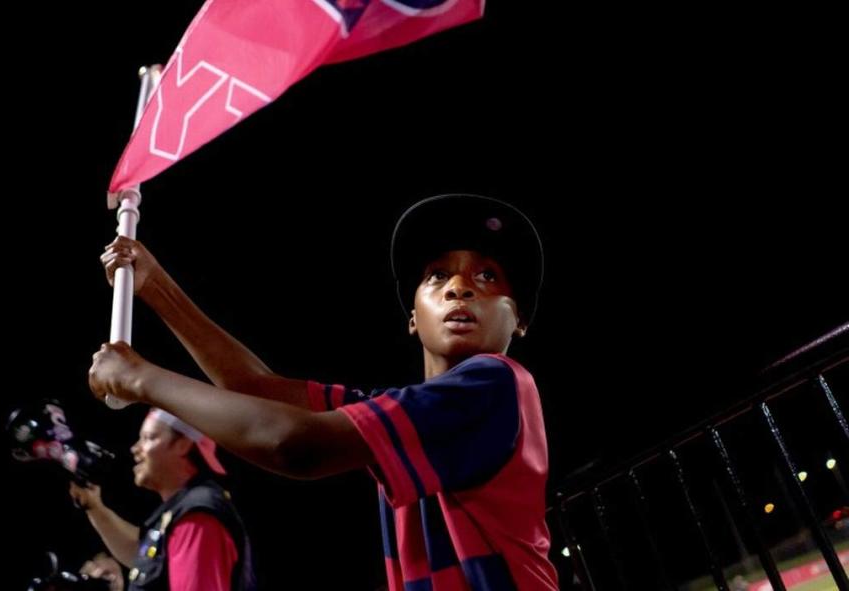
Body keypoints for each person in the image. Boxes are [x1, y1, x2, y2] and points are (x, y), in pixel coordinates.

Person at [89, 193, 558, 589]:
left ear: (518, 321)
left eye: (487, 277)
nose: (460, 288)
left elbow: (296, 445)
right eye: (437, 275)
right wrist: (156, 286)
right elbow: (255, 388)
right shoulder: (405, 412)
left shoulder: (496, 382)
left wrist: (140, 379)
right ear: (413, 317)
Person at [70, 409, 253, 591]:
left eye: (148, 438)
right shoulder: (180, 510)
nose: (135, 449)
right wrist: (93, 506)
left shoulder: (196, 515)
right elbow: (141, 556)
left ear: (183, 444)